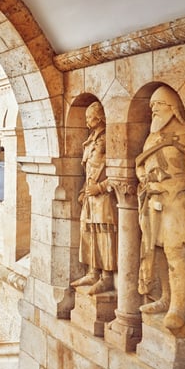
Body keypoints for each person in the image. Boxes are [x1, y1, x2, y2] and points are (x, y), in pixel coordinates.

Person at [136, 86, 185, 329]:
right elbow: (140, 165)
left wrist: (171, 184)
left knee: (175, 251)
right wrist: (146, 181)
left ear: (172, 107)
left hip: (176, 202)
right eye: (151, 106)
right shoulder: (152, 137)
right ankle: (165, 298)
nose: (153, 109)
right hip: (153, 201)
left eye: (158, 104)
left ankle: (179, 306)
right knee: (156, 250)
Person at [71, 102, 117, 294]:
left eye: (90, 117)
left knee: (104, 234)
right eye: (87, 117)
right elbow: (89, 169)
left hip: (104, 197)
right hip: (90, 196)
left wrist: (99, 187)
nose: (87, 121)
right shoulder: (91, 141)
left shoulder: (108, 138)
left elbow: (118, 172)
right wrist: (84, 189)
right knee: (88, 231)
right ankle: (92, 271)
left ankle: (106, 277)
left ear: (99, 118)